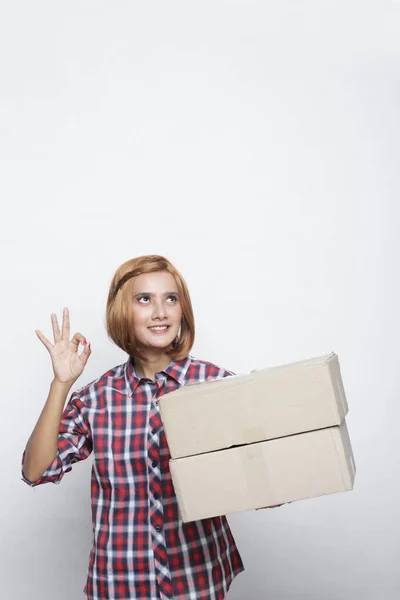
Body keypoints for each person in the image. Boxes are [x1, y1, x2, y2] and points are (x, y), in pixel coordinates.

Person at [21, 254, 245, 600]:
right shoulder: (97, 398)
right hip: (120, 582)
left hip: (197, 577)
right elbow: (37, 470)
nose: (161, 312)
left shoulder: (214, 384)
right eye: (145, 300)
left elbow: (255, 462)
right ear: (122, 311)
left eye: (171, 299)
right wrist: (61, 384)